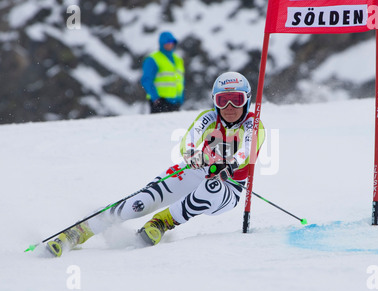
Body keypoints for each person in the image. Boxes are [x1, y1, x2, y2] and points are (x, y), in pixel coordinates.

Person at [46, 72, 265, 257]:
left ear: (246, 100)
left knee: (211, 187)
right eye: (222, 100)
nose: (228, 107)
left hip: (228, 186)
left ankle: (161, 223)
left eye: (236, 100)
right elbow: (188, 141)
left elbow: (247, 151)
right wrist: (192, 155)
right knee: (139, 203)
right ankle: (79, 232)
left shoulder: (254, 124)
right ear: (214, 101)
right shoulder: (208, 118)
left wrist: (231, 164)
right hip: (195, 171)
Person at [141, 31, 185, 113]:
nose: (170, 44)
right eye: (167, 42)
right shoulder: (153, 59)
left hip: (175, 102)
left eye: (172, 42)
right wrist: (155, 97)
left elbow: (180, 81)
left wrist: (180, 99)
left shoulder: (178, 60)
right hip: (160, 101)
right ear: (162, 43)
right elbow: (146, 80)